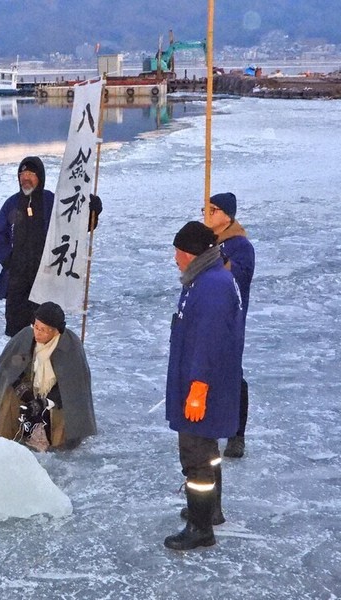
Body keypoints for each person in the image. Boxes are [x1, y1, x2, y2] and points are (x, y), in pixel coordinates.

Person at [164, 221, 244, 551]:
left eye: (178, 253)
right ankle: (210, 510)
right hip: (204, 381)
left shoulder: (211, 286)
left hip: (202, 385)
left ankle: (200, 528)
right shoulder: (206, 278)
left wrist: (197, 389)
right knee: (207, 454)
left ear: (191, 253)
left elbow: (208, 342)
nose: (175, 259)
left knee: (196, 455)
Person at [0, 156, 103, 337]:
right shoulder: (12, 204)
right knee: (18, 336)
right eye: (22, 173)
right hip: (18, 281)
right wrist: (9, 260)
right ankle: (21, 365)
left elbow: (74, 227)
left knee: (47, 330)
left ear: (40, 177)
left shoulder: (52, 201)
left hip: (46, 277)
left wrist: (91, 211)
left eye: (30, 174)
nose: (25, 177)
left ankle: (46, 364)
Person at [0, 301, 96, 451]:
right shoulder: (25, 337)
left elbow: (72, 389)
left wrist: (44, 402)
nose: (38, 333)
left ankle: (57, 446)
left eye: (44, 330)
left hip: (56, 399)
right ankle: (3, 439)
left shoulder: (70, 346)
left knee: (62, 414)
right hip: (29, 388)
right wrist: (24, 391)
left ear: (56, 331)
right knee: (8, 395)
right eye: (36, 327)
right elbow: (9, 371)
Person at [205, 192, 256, 458]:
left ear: (227, 214)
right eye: (206, 208)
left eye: (213, 209)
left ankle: (237, 434)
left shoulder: (240, 245)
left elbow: (240, 276)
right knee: (204, 370)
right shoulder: (206, 240)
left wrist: (218, 259)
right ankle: (208, 426)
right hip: (205, 316)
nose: (208, 213)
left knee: (231, 372)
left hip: (228, 319)